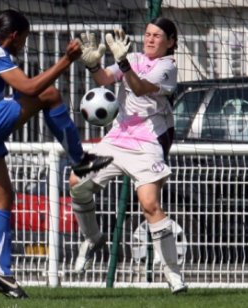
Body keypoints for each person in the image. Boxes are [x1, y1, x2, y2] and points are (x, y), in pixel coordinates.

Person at [0, 10, 113, 299]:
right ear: (14, 36)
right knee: (49, 95)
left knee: (2, 197)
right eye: (25, 39)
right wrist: (67, 59)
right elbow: (29, 87)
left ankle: (2, 274)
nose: (24, 45)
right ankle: (80, 160)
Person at [71, 17, 187, 294]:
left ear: (170, 42)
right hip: (117, 138)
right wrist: (93, 64)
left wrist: (123, 63)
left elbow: (139, 87)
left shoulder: (168, 67)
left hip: (147, 142)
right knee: (77, 184)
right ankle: (93, 238)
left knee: (149, 204)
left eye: (157, 36)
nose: (149, 39)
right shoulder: (133, 56)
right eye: (147, 34)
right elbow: (104, 79)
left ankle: (173, 274)